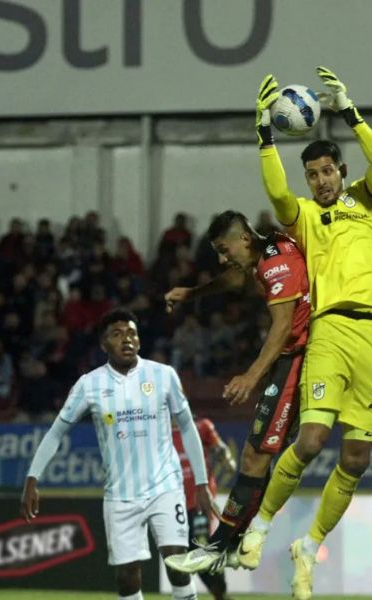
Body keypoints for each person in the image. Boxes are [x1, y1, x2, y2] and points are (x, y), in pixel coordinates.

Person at [243, 66, 372, 599]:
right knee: (309, 441)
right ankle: (260, 525)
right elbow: (277, 192)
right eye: (313, 175)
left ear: (341, 171)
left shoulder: (368, 201)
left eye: (328, 171)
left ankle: (308, 547)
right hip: (330, 329)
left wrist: (350, 112)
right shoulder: (305, 216)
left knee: (356, 458)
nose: (321, 181)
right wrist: (265, 134)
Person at [20, 309, 218, 600]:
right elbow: (56, 432)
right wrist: (32, 478)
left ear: (139, 340)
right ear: (104, 344)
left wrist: (201, 483)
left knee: (177, 561)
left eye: (131, 333)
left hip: (165, 486)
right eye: (117, 334)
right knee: (126, 577)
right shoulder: (89, 384)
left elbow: (188, 427)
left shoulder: (163, 375)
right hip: (120, 495)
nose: (127, 339)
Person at [162, 211, 311, 574]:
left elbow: (282, 326)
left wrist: (250, 376)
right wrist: (193, 293)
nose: (221, 258)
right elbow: (232, 279)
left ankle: (218, 547)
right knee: (256, 457)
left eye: (223, 249)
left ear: (244, 239)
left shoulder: (277, 263)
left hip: (297, 360)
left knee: (256, 456)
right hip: (291, 359)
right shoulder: (264, 255)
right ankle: (232, 542)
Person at [172, 416, 238, 600]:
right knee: (184, 555)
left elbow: (219, 448)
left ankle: (220, 592)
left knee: (200, 549)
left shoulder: (201, 427)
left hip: (199, 503)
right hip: (173, 505)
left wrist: (226, 458)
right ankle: (219, 594)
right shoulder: (160, 432)